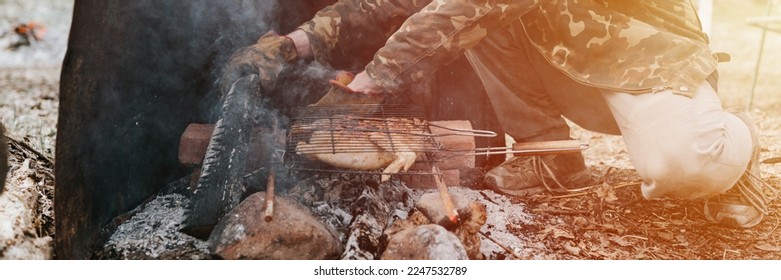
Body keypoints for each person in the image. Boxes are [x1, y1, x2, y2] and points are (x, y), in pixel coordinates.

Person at [219, 0, 772, 228]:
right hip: (564, 64)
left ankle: (731, 134)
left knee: (681, 165)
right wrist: (296, 44)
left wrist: (372, 81)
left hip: (644, 58)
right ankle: (551, 161)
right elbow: (400, 3)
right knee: (471, 21)